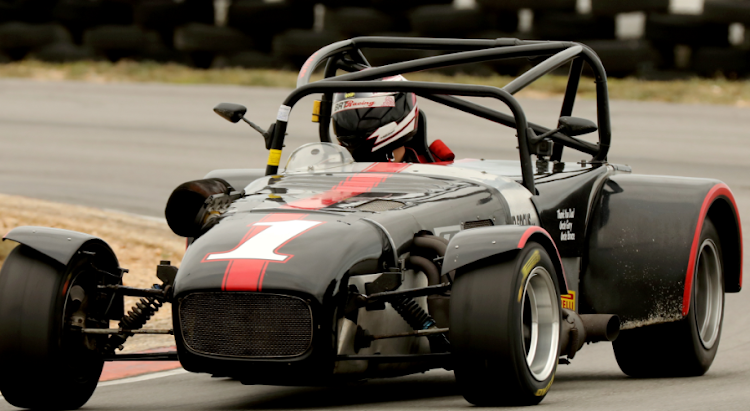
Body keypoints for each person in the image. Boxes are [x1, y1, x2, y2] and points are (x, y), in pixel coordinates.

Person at [331, 75, 421, 163]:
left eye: (367, 117)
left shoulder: (430, 170)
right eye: (348, 116)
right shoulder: (331, 165)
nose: (352, 122)